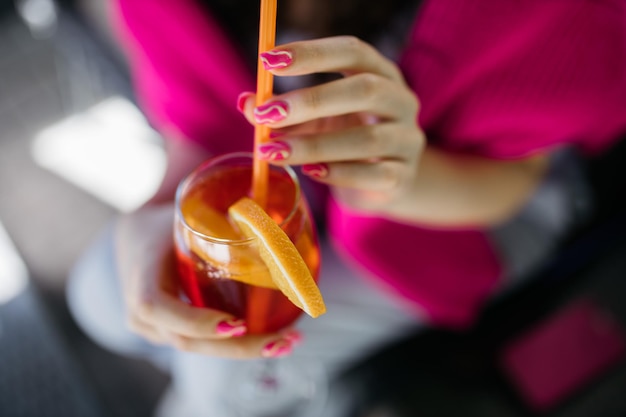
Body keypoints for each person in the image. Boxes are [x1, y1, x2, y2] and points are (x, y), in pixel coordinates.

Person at [67, 0, 626, 415]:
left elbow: (519, 177)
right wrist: (159, 213)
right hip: (297, 182)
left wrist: (402, 179)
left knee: (219, 385)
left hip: (468, 207)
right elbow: (202, 126)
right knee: (100, 293)